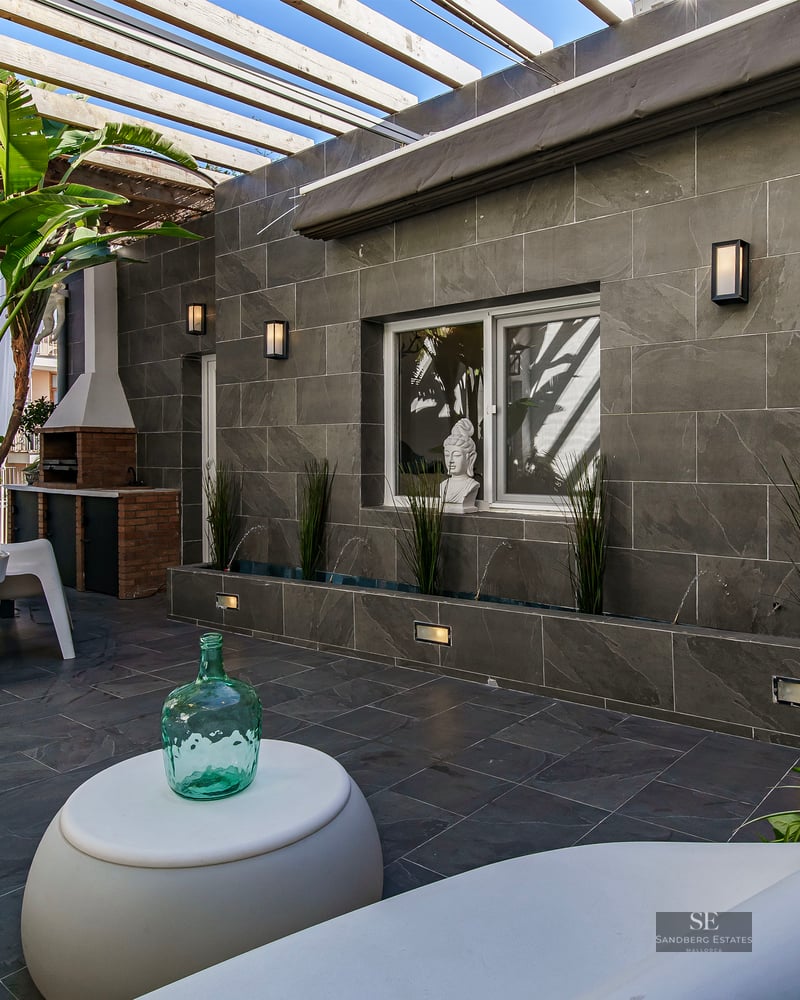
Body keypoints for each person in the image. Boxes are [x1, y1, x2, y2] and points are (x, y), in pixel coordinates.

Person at [439, 418, 480, 510]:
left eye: (456, 455)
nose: (451, 460)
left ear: (471, 458)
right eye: (447, 455)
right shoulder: (443, 485)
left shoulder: (472, 486)